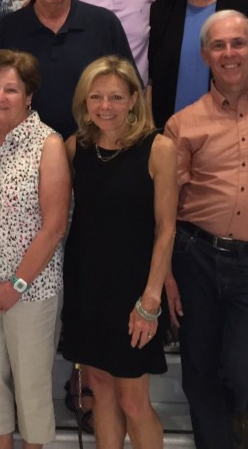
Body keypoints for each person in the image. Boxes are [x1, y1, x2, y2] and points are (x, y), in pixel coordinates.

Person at [62, 56, 177, 448]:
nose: (105, 106)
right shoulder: (76, 148)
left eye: (115, 96)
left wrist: (151, 299)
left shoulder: (159, 149)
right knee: (100, 389)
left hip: (135, 292)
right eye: (96, 96)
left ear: (132, 100)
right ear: (85, 101)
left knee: (133, 399)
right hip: (87, 286)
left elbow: (166, 229)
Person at [0, 49, 70, 449]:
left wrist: (16, 285)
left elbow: (54, 228)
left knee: (31, 386)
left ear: (28, 96)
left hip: (31, 292)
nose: (0, 97)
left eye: (11, 89)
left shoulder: (48, 145)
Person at [164, 10, 248, 449]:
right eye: (218, 45)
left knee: (241, 368)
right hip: (195, 257)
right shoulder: (183, 124)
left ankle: (242, 420)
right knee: (199, 369)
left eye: (238, 43)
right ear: (204, 55)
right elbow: (165, 209)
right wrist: (165, 275)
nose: (229, 53)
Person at [0, 0, 137, 139]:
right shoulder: (7, 30)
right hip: (24, 151)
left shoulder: (104, 24)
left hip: (94, 148)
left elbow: (130, 91)